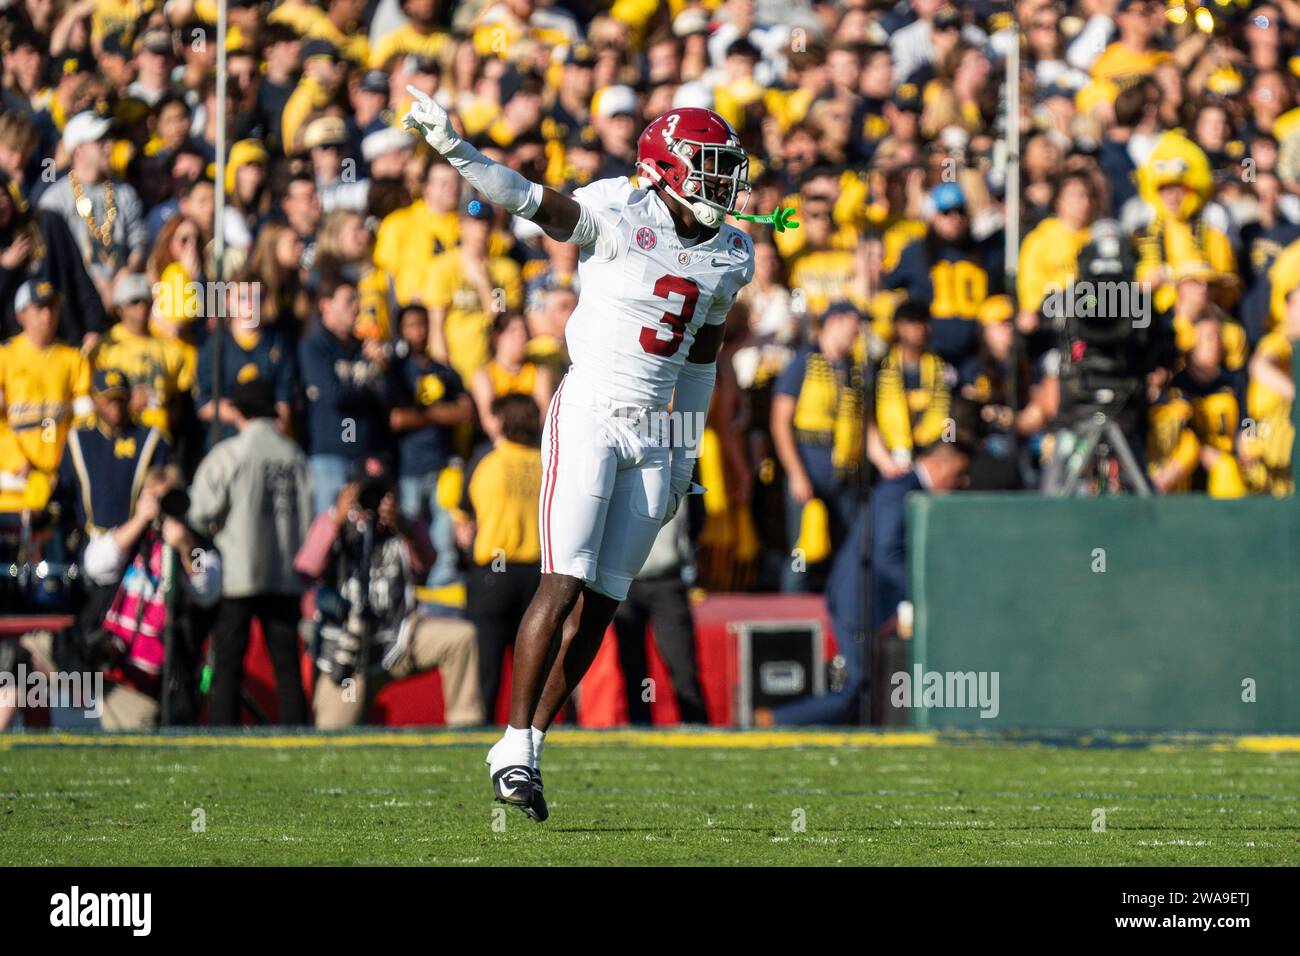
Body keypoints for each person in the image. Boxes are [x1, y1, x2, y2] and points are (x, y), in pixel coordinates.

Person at [405, 94, 754, 818]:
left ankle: (529, 744)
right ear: (665, 170)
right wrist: (457, 151)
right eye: (711, 170)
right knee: (562, 584)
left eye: (727, 173)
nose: (723, 186)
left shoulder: (731, 253)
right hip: (593, 409)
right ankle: (512, 742)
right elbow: (528, 199)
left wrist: (685, 448)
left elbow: (702, 362)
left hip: (657, 434)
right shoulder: (617, 210)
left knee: (601, 606)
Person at [295, 456, 483, 729]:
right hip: (348, 652)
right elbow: (306, 569)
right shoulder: (332, 522)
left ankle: (466, 728)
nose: (375, 499)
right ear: (350, 489)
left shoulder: (404, 526)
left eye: (383, 491)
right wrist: (337, 520)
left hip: (400, 638)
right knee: (333, 734)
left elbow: (426, 563)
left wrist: (403, 526)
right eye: (367, 490)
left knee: (461, 638)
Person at [188, 381, 315, 726]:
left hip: (238, 575)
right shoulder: (295, 456)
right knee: (287, 668)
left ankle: (223, 735)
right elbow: (310, 516)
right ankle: (296, 738)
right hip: (285, 576)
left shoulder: (231, 453)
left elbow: (198, 511)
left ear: (238, 411)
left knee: (228, 665)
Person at [455, 393, 543, 718]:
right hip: (537, 576)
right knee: (534, 669)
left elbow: (464, 515)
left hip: (493, 573)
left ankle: (484, 742)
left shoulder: (486, 460)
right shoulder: (547, 461)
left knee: (486, 673)